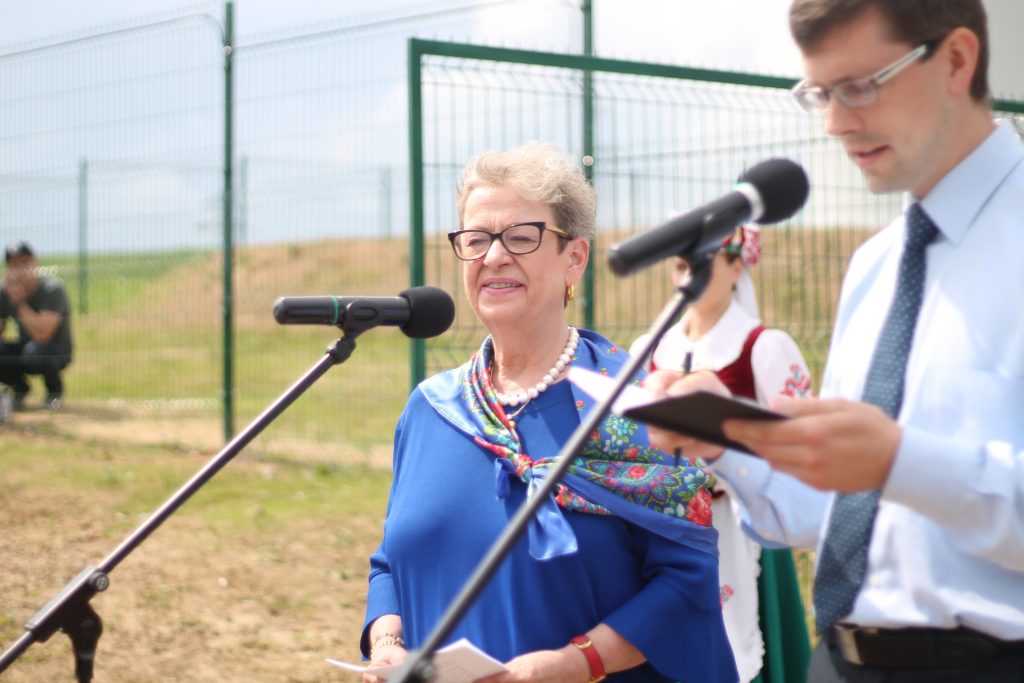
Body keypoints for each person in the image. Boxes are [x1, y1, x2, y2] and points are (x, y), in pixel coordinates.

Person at [646, 1, 1024, 681]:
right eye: (819, 93)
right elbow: (826, 513)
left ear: (958, 60)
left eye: (860, 86)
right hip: (841, 660)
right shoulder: (876, 265)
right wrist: (726, 442)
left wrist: (899, 462)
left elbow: (890, 470)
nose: (834, 122)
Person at [361, 142, 737, 682]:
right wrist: (387, 642)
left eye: (521, 237)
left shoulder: (633, 405)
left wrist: (576, 663)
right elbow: (391, 561)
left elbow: (685, 581)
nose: (493, 256)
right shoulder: (430, 410)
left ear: (574, 259)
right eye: (475, 240)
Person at [630, 225, 812, 683]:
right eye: (681, 263)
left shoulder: (763, 347)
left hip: (744, 530)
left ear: (736, 266)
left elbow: (799, 449)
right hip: (666, 530)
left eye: (705, 262)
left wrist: (727, 470)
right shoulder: (650, 349)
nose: (690, 274)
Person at [0, 240, 72, 410]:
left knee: (36, 352)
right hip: (25, 348)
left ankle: (54, 392)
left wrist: (19, 303)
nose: (21, 269)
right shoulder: (5, 292)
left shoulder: (52, 289)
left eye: (25, 263)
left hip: (53, 349)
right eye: (15, 265)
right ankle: (20, 389)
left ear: (35, 262)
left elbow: (43, 334)